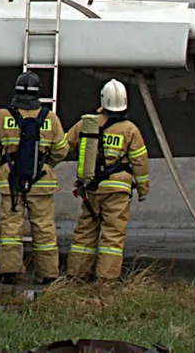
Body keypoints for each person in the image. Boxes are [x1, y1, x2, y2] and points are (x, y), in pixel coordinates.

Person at [0, 71, 69, 285]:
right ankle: (48, 273)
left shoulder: (2, 116)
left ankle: (10, 271)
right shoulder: (50, 117)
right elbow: (61, 149)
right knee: (44, 227)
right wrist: (46, 164)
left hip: (10, 182)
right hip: (41, 181)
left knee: (11, 227)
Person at [63, 79, 151, 281]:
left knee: (85, 232)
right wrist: (143, 189)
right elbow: (140, 163)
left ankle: (76, 275)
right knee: (113, 234)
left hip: (92, 187)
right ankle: (106, 279)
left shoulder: (86, 124)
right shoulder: (130, 130)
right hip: (118, 189)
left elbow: (63, 147)